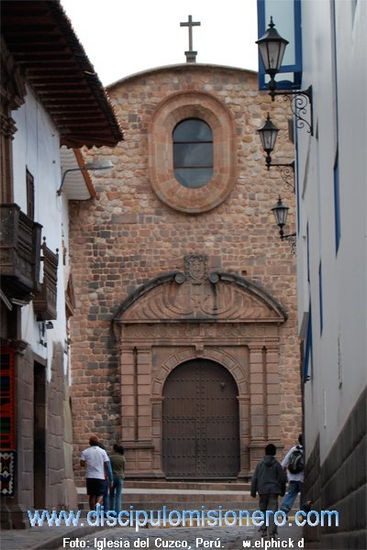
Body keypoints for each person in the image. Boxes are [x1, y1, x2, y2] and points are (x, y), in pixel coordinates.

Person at [251, 443, 287, 538]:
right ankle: (272, 532)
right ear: (274, 453)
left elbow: (255, 478)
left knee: (262, 510)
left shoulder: (260, 464)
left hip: (262, 491)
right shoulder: (277, 465)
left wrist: (253, 491)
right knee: (272, 512)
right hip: (273, 492)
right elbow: (282, 479)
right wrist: (282, 491)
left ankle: (263, 530)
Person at [80, 435, 109, 510]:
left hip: (90, 476)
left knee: (92, 495)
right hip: (100, 476)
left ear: (89, 443)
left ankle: (92, 512)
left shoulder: (85, 452)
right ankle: (98, 503)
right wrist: (106, 474)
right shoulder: (103, 452)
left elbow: (82, 463)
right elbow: (106, 463)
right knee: (101, 494)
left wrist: (87, 464)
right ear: (98, 443)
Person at [280, 434, 305, 516]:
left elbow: (284, 464)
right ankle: (303, 513)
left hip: (292, 477)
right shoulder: (306, 450)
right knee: (304, 495)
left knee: (291, 493)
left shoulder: (294, 449)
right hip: (302, 478)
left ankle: (284, 509)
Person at [109, 444, 126, 515]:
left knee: (112, 495)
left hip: (112, 477)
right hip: (120, 477)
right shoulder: (123, 458)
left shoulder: (111, 458)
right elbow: (123, 468)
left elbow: (109, 468)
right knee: (118, 495)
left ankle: (111, 511)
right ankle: (118, 512)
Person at [97, 441, 113, 511]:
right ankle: (105, 512)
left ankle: (95, 511)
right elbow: (109, 469)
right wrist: (111, 479)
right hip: (103, 478)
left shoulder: (93, 457)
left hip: (94, 477)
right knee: (105, 496)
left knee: (95, 495)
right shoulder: (105, 456)